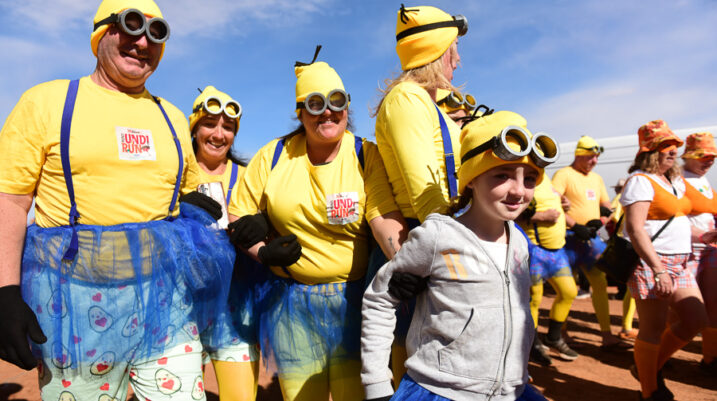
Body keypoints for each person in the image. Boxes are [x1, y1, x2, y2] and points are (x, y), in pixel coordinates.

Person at [0, 0, 234, 400]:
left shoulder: (172, 117)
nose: (142, 42)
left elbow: (185, 196)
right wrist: (5, 291)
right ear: (100, 34)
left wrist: (196, 209)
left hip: (166, 304)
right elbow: (11, 202)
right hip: (73, 309)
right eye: (131, 26)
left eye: (156, 33)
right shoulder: (46, 102)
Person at [227, 54, 406, 401]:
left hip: (354, 304)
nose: (327, 112)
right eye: (315, 103)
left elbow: (383, 217)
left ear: (347, 106)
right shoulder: (274, 156)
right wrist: (263, 253)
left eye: (335, 101)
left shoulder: (365, 155)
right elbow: (238, 217)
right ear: (301, 112)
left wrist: (404, 262)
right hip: (291, 307)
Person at [361, 111, 550, 401]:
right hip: (439, 391)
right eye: (502, 175)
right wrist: (376, 383)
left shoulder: (520, 243)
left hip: (511, 392)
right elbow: (380, 300)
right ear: (471, 179)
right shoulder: (438, 236)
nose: (518, 191)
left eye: (530, 179)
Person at [373, 4, 466, 382]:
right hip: (428, 234)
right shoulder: (407, 98)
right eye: (454, 50)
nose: (457, 60)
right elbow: (425, 189)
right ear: (438, 51)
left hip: (438, 230)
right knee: (419, 359)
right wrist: (453, 257)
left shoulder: (423, 101)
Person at [621, 120, 709, 400]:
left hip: (680, 262)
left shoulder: (673, 181)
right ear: (649, 152)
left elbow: (676, 221)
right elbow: (635, 229)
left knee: (696, 319)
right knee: (653, 329)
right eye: (664, 146)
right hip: (652, 263)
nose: (672, 150)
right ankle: (650, 391)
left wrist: (704, 235)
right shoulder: (640, 181)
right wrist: (658, 270)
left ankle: (648, 369)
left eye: (674, 145)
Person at [187, 86, 260, 400]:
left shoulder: (249, 176)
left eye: (228, 127)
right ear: (194, 128)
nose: (218, 134)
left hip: (236, 308)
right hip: (181, 307)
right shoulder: (173, 174)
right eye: (209, 124)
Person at [552, 135, 627, 348]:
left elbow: (607, 205)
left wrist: (601, 220)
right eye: (590, 157)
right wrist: (575, 225)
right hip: (568, 238)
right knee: (567, 287)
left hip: (591, 239)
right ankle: (561, 334)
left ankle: (606, 335)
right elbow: (553, 202)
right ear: (579, 155)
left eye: (596, 157)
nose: (594, 161)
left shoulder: (597, 178)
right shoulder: (564, 174)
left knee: (600, 284)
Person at [519, 171, 579, 365]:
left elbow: (554, 204)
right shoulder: (522, 176)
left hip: (557, 251)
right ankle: (533, 343)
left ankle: (553, 337)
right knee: (534, 299)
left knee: (569, 292)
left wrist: (564, 206)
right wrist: (541, 216)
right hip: (534, 249)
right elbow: (508, 212)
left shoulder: (545, 178)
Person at [681, 132, 717, 374]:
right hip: (688, 250)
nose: (709, 161)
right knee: (683, 308)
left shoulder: (704, 181)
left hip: (710, 249)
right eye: (704, 156)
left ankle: (710, 358)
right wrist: (702, 235)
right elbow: (674, 218)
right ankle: (657, 358)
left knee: (714, 303)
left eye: (712, 157)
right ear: (689, 156)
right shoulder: (678, 180)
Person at [609, 177, 639, 341]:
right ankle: (627, 326)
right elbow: (614, 217)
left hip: (629, 243)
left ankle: (627, 326)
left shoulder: (623, 196)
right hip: (629, 244)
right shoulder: (623, 197)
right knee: (633, 287)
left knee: (632, 287)